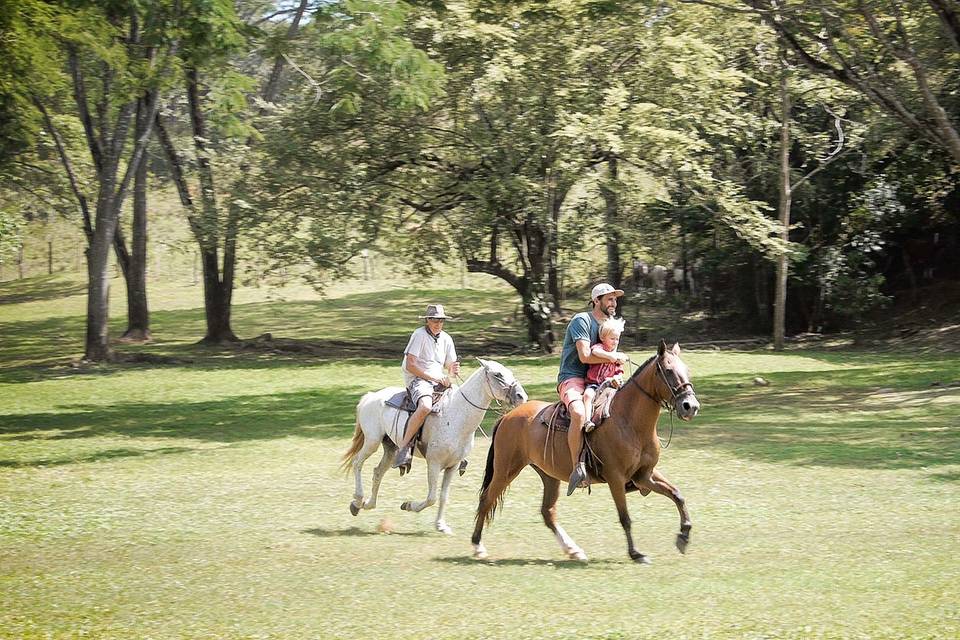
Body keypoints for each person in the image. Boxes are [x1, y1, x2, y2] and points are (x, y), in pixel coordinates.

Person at [557, 283, 629, 496]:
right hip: (573, 378)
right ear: (596, 301)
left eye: (615, 299)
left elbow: (609, 357)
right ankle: (577, 467)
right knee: (579, 413)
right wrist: (614, 356)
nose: (613, 303)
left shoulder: (610, 325)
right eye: (609, 299)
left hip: (601, 379)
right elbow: (585, 356)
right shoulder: (582, 320)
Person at [393, 304, 461, 472]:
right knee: (425, 406)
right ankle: (403, 448)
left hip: (438, 381)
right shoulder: (419, 335)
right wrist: (435, 377)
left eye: (441, 320)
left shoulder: (446, 338)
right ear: (427, 320)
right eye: (434, 319)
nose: (438, 323)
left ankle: (459, 451)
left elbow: (450, 365)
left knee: (461, 403)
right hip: (418, 380)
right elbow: (410, 365)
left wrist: (452, 374)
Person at [581, 316, 627, 433]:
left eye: (617, 339)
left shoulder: (617, 356)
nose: (615, 342)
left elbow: (619, 372)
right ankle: (587, 421)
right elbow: (595, 351)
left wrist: (617, 378)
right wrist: (610, 357)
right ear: (602, 337)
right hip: (594, 384)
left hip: (609, 386)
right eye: (612, 338)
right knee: (587, 396)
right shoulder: (600, 348)